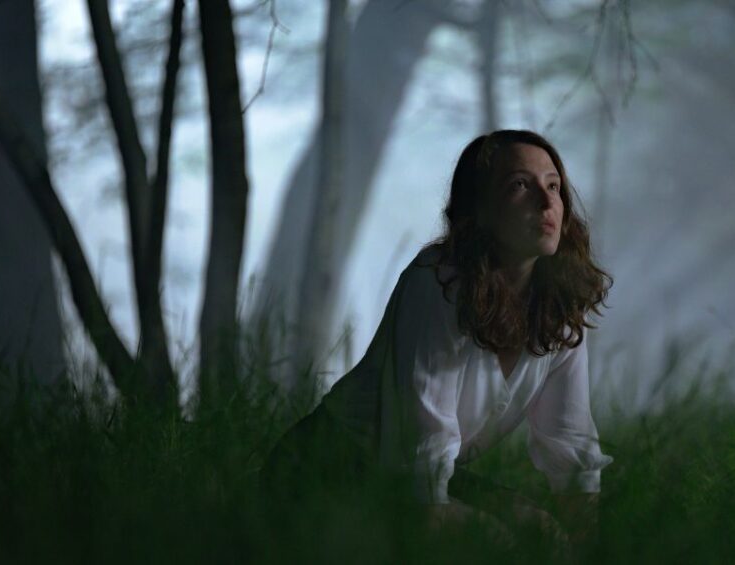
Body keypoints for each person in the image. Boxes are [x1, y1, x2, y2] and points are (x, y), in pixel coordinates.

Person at [262, 129, 613, 557]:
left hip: (411, 470)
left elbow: (570, 445)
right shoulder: (439, 281)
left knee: (541, 531)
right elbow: (420, 451)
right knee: (492, 541)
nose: (546, 202)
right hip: (324, 466)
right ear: (480, 208)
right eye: (521, 185)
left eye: (554, 186)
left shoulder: (559, 303)